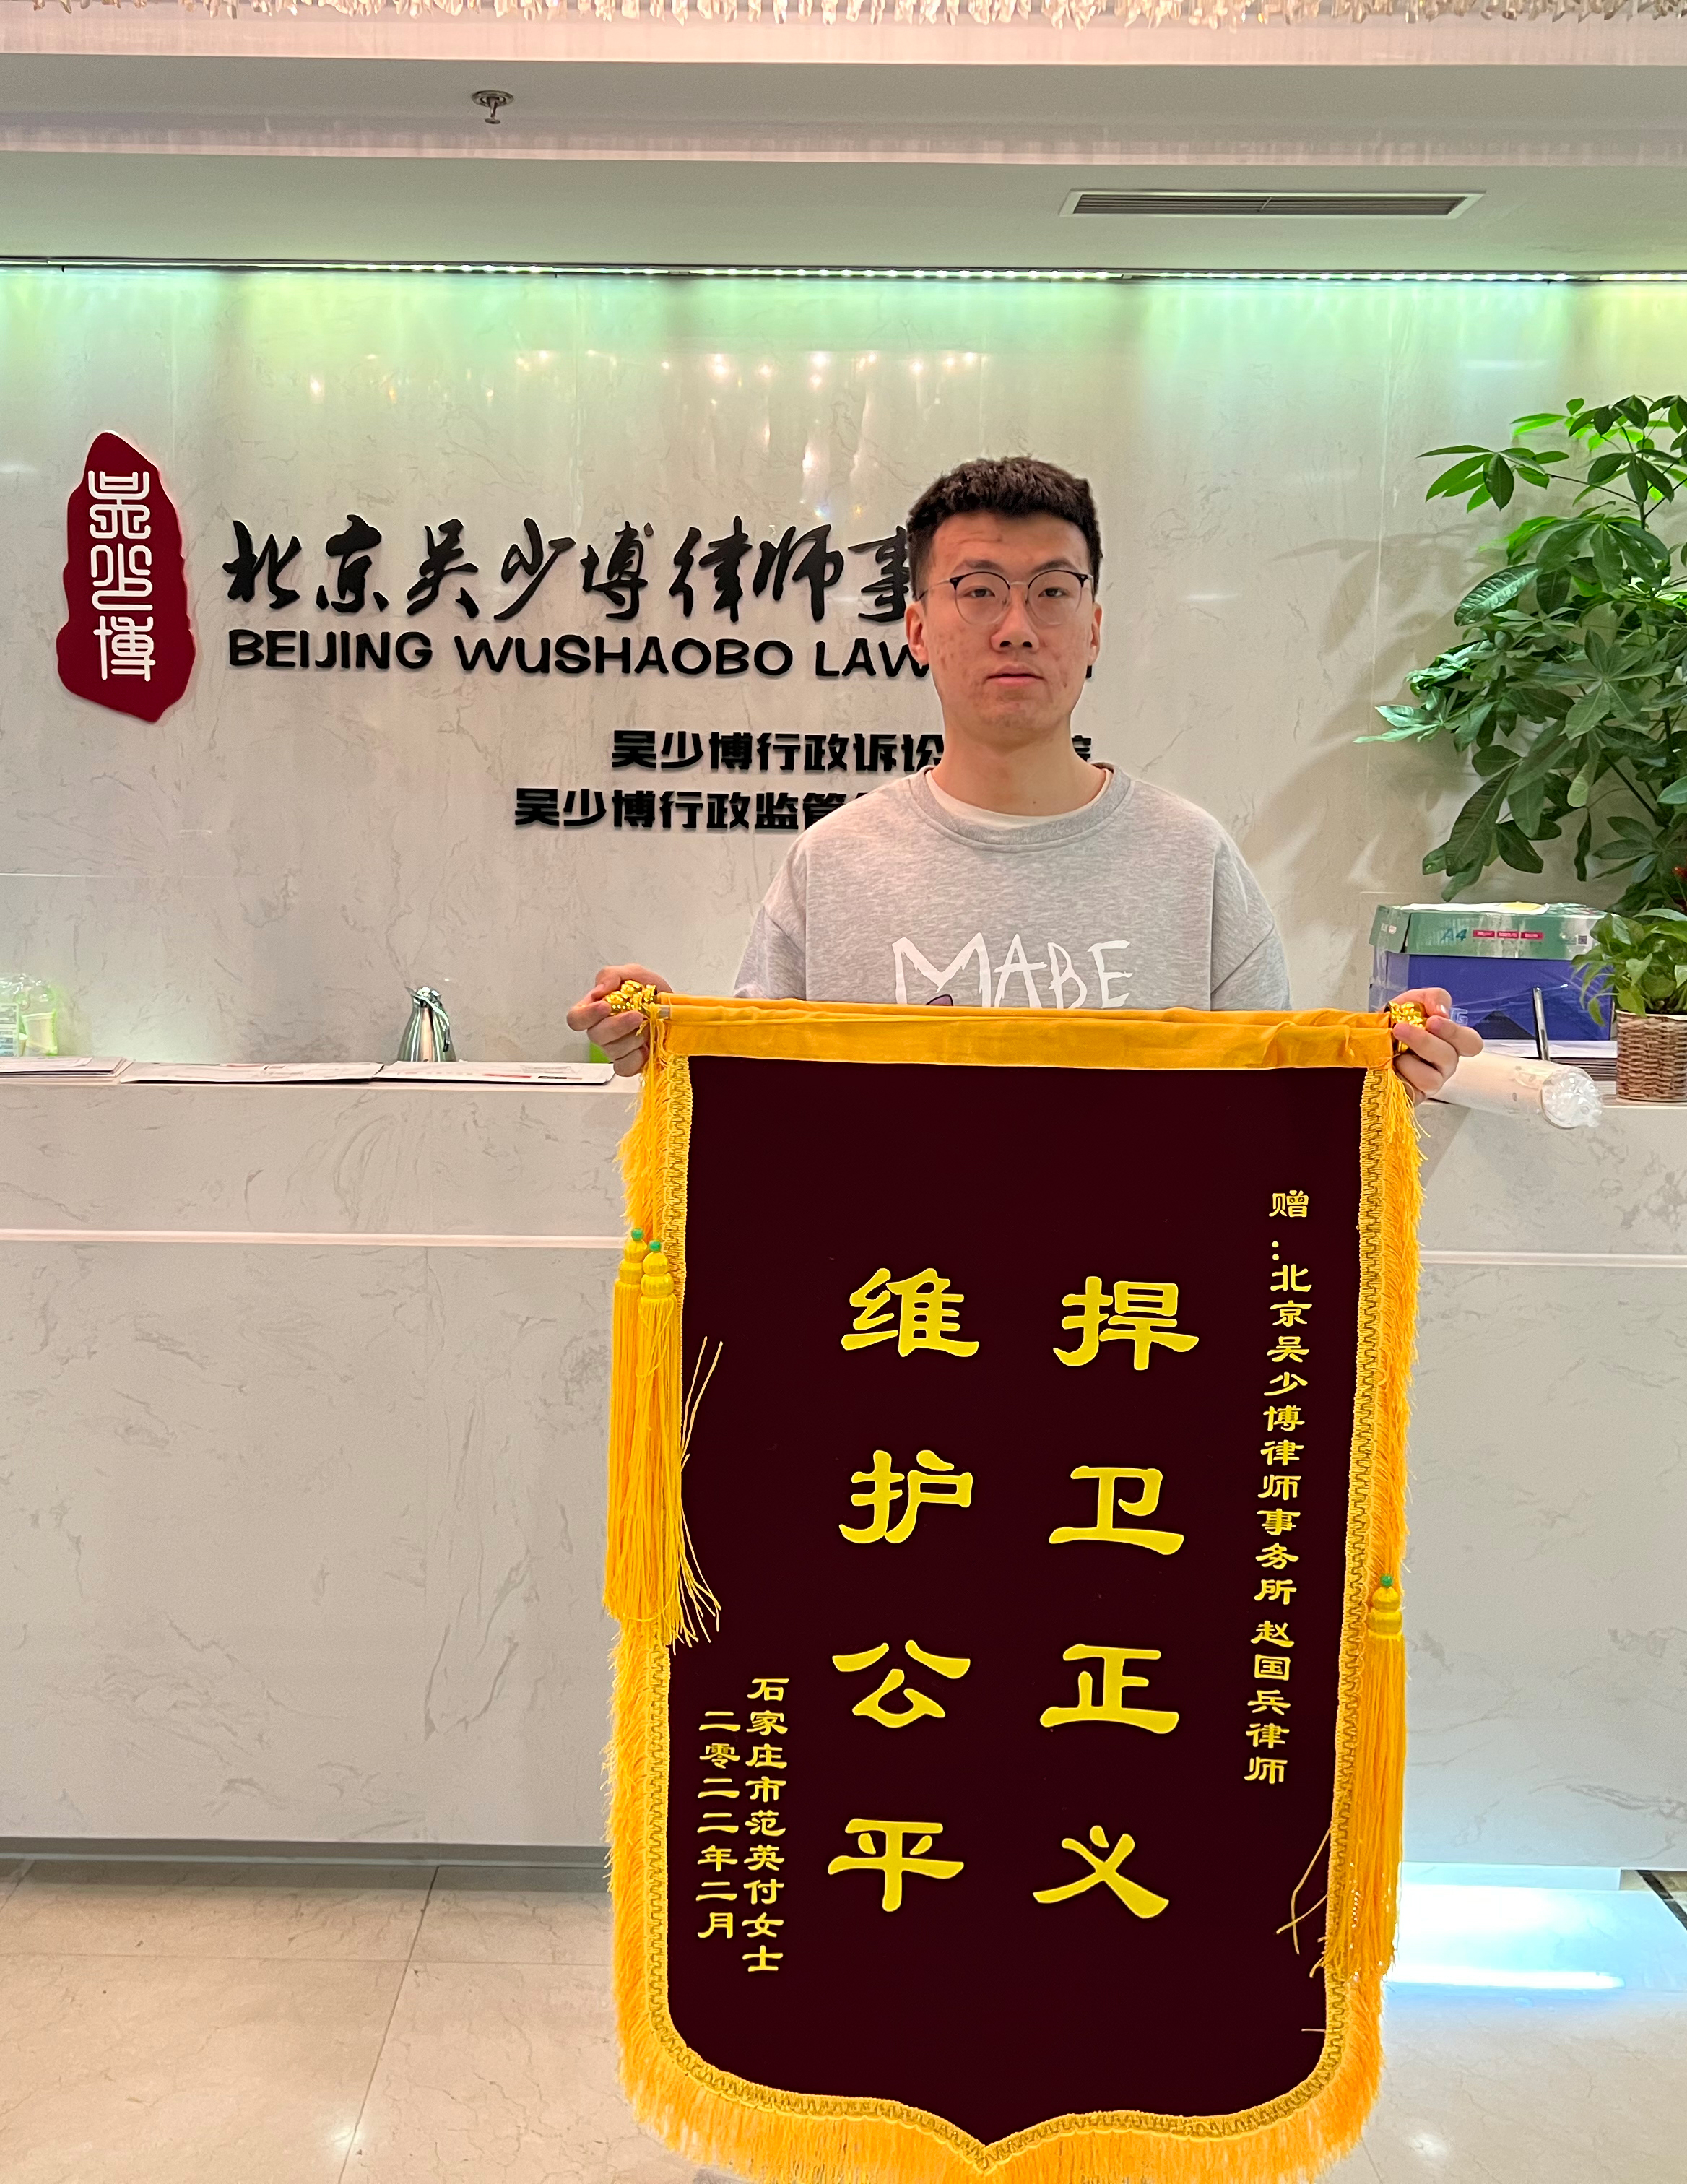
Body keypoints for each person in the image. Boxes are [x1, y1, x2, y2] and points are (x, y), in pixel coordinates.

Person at [568, 455, 1478, 1096]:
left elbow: (1269, 1102)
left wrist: (1389, 1069)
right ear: (917, 629)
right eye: (977, 591)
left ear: (1093, 628)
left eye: (1051, 591)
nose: (1015, 627)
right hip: (900, 1300)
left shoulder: (1188, 858)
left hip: (1123, 1301)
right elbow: (755, 1093)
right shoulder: (834, 862)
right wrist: (661, 1038)